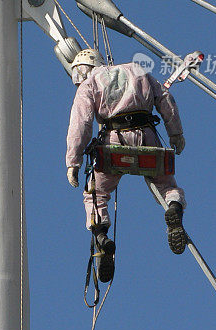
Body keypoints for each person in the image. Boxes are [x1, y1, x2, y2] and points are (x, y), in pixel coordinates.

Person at [65, 49, 187, 283]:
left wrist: (74, 161)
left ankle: (101, 237)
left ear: (85, 68)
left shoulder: (89, 85)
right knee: (165, 185)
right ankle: (174, 209)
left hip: (115, 141)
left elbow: (80, 125)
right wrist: (176, 135)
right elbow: (165, 100)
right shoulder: (137, 70)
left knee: (96, 194)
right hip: (147, 137)